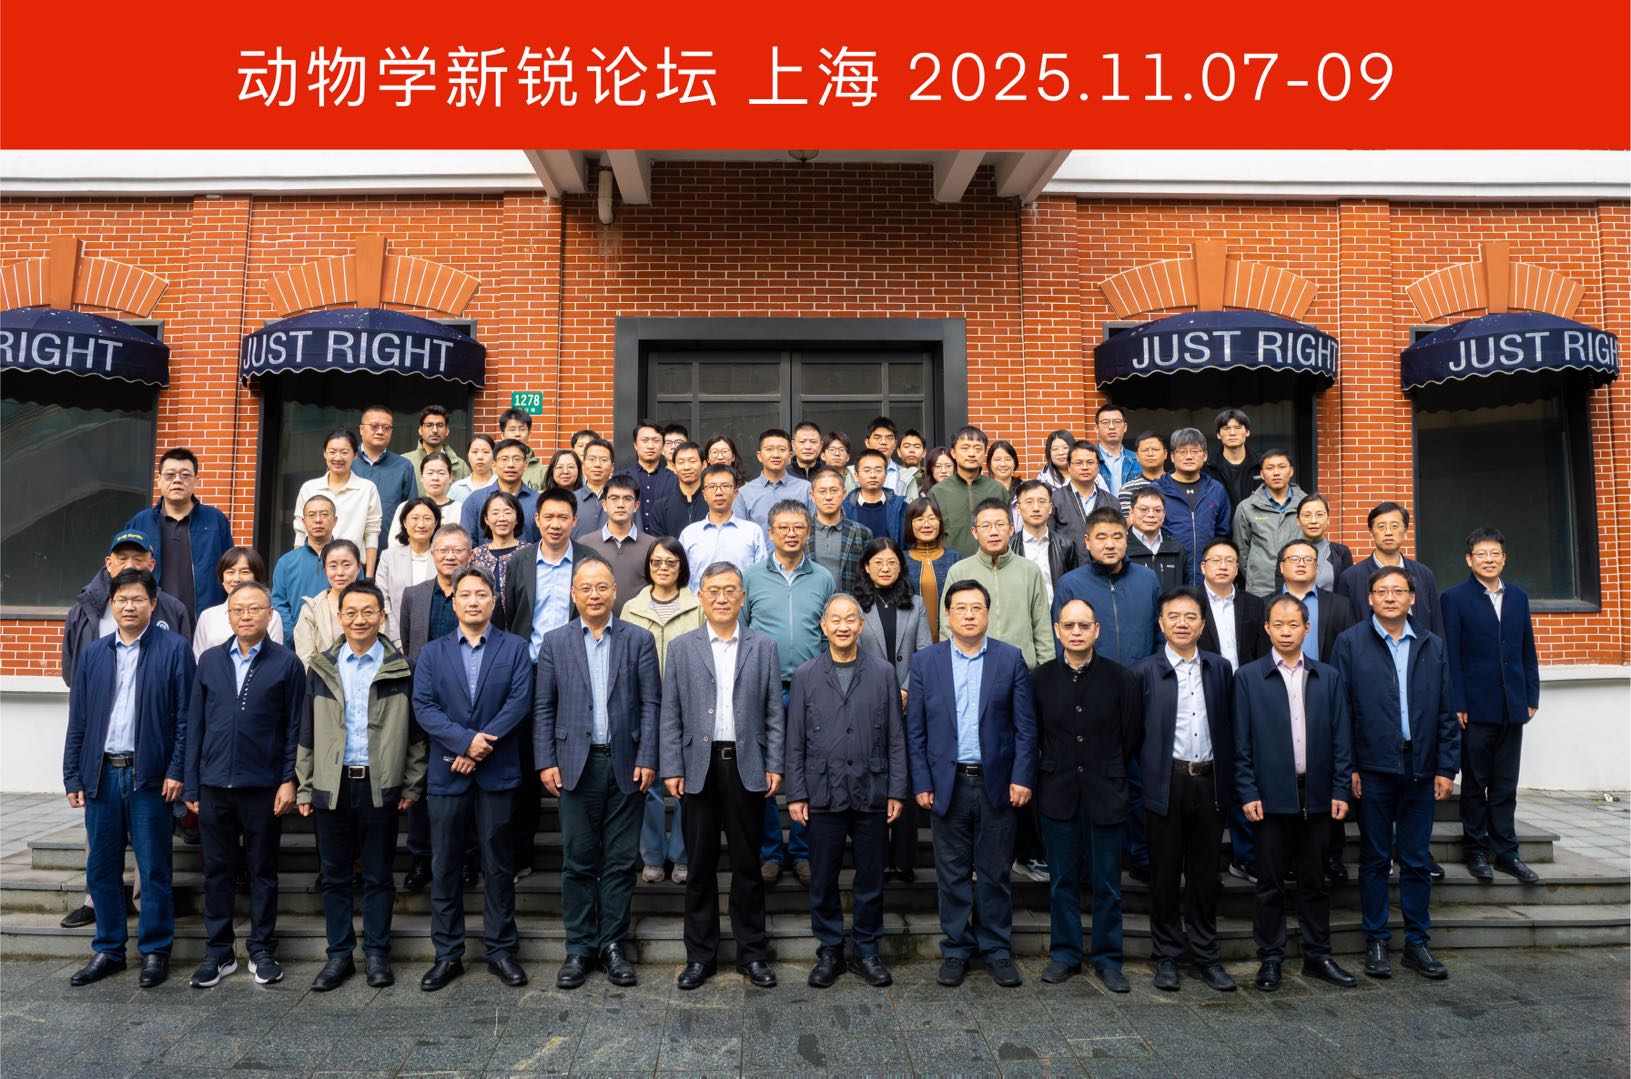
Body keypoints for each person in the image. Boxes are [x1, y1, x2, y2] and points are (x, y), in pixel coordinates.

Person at [62, 568, 194, 988]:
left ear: (153, 603)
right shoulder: (94, 654)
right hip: (102, 774)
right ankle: (109, 950)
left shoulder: (174, 649)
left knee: (153, 869)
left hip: (149, 776)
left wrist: (177, 770)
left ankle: (155, 951)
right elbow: (79, 720)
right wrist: (72, 775)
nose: (129, 606)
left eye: (138, 599)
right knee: (101, 868)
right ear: (112, 604)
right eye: (121, 599)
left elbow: (185, 717)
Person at [904, 579, 1037, 989]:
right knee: (952, 874)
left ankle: (996, 949)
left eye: (976, 607)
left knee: (995, 872)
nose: (968, 615)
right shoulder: (926, 662)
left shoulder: (1009, 659)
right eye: (960, 608)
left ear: (988, 613)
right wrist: (922, 781)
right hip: (948, 783)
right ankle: (956, 949)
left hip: (997, 784)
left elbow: (1026, 728)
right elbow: (915, 731)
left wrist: (1021, 777)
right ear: (947, 615)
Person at [535, 559, 662, 989]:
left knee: (622, 862)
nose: (594, 595)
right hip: (575, 765)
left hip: (626, 763)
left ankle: (612, 945)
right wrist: (546, 760)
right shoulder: (555, 642)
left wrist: (648, 756)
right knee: (578, 861)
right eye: (585, 588)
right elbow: (544, 706)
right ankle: (578, 948)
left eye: (602, 587)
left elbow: (651, 704)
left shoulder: (639, 639)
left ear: (614, 592)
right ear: (573, 594)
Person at [659, 562, 785, 991]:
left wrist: (774, 763)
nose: (722, 598)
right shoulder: (682, 648)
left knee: (748, 865)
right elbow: (670, 713)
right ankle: (700, 956)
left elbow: (774, 712)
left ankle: (752, 954)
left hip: (746, 765)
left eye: (730, 590)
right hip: (698, 767)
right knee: (699, 866)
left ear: (742, 596)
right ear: (700, 596)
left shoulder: (763, 646)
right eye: (713, 590)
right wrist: (672, 766)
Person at [296, 580, 426, 992]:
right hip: (332, 783)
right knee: (334, 876)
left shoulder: (401, 668)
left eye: (368, 611)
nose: (359, 619)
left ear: (382, 616)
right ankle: (338, 956)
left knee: (378, 875)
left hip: (379, 783)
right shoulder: (322, 667)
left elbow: (417, 734)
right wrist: (305, 786)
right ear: (339, 617)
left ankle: (376, 953)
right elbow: (306, 731)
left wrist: (411, 784)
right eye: (351, 612)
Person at [412, 566, 533, 992]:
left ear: (494, 600)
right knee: (445, 864)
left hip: (498, 773)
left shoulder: (515, 649)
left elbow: (519, 701)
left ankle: (501, 950)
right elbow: (424, 707)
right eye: (465, 594)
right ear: (454, 602)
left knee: (498, 864)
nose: (473, 601)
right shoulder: (432, 653)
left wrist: (482, 745)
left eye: (481, 594)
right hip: (448, 772)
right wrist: (465, 743)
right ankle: (448, 954)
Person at [1334, 566, 1457, 980]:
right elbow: (1341, 711)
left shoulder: (1432, 644)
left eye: (1398, 591)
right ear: (1369, 598)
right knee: (1374, 858)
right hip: (1372, 769)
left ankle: (1417, 942)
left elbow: (1446, 709)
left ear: (1412, 598)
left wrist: (1446, 767)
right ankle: (1376, 939)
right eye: (1382, 591)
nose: (1390, 597)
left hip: (1420, 768)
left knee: (1417, 859)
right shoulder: (1350, 643)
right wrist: (1349, 766)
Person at [183, 580, 305, 988]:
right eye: (238, 610)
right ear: (229, 615)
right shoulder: (210, 661)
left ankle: (262, 949)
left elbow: (295, 728)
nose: (246, 616)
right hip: (214, 785)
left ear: (270, 615)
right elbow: (195, 725)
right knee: (216, 871)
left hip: (264, 786)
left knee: (262, 871)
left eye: (254, 609)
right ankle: (219, 952)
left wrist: (288, 779)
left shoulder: (287, 663)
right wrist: (192, 785)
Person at [1233, 595, 1358, 992]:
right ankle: (1270, 958)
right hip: (1269, 798)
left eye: (1293, 625)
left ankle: (1318, 955)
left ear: (1307, 628)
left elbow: (1342, 739)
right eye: (1278, 624)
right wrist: (1248, 790)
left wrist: (1341, 789)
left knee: (1315, 882)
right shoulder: (1248, 678)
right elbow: (1240, 743)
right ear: (1266, 628)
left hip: (1317, 796)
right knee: (1269, 884)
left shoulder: (1327, 676)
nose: (1286, 632)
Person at [786, 593, 906, 989]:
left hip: (872, 788)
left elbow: (895, 736)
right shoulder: (805, 674)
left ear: (860, 625)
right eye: (835, 619)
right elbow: (795, 739)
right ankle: (830, 950)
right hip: (822, 790)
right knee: (823, 876)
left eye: (850, 619)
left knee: (870, 876)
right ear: (824, 626)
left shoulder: (883, 672)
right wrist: (796, 793)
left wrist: (897, 790)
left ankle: (867, 950)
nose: (842, 626)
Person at [1031, 597, 1142, 993]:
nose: (1076, 632)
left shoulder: (1120, 678)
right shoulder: (1040, 679)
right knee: (1062, 880)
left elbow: (1131, 735)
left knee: (1107, 882)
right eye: (1069, 625)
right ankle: (1065, 954)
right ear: (1057, 630)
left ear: (1097, 630)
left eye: (1084, 625)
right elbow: (1035, 734)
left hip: (1106, 792)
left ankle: (1109, 959)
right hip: (1058, 792)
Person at [1134, 586, 1237, 993]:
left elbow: (1230, 726)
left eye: (1190, 616)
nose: (1182, 623)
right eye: (1174, 616)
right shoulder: (1144, 672)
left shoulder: (1220, 668)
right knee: (1163, 874)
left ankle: (1205, 955)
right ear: (1161, 624)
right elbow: (1132, 736)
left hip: (1209, 783)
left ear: (1202, 624)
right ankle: (1166, 955)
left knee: (1204, 874)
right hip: (1166, 783)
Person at [500, 487, 604, 882]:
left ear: (575, 521)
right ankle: (520, 854)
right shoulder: (521, 560)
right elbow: (512, 615)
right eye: (549, 517)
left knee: (582, 761)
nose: (556, 524)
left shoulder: (590, 560)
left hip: (580, 671)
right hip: (529, 672)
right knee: (528, 763)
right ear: (537, 520)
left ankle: (585, 856)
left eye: (563, 517)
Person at [742, 499, 835, 885]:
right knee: (763, 771)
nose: (791, 534)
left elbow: (830, 633)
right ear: (771, 532)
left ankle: (801, 851)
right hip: (763, 689)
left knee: (808, 770)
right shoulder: (751, 577)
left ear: (808, 533)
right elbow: (742, 633)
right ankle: (770, 852)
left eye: (798, 527)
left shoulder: (824, 578)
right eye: (783, 527)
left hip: (810, 689)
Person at [1443, 528, 1542, 885]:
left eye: (1494, 553)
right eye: (1481, 554)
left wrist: (1531, 695)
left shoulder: (1518, 597)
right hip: (1474, 707)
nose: (1489, 559)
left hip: (1512, 705)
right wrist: (1458, 701)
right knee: (1474, 783)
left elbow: (1527, 648)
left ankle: (1507, 852)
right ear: (1469, 560)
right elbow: (1452, 655)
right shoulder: (1454, 598)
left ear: (1504, 558)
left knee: (1505, 784)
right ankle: (1475, 850)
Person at [396, 524, 477, 894]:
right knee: (421, 779)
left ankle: (466, 858)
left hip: (468, 702)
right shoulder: (414, 595)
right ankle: (421, 857)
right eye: (443, 550)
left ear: (470, 555)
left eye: (457, 550)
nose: (450, 556)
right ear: (433, 555)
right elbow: (410, 647)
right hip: (424, 702)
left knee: (467, 782)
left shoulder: (478, 593)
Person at [621, 539, 703, 885]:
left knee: (686, 784)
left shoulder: (697, 606)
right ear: (648, 566)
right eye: (657, 562)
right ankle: (653, 856)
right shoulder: (632, 608)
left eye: (671, 562)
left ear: (681, 566)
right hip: (645, 704)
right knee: (648, 782)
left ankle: (682, 856)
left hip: (689, 705)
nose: (663, 568)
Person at [854, 538, 932, 880]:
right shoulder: (855, 605)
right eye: (878, 563)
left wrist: (906, 688)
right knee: (873, 779)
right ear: (866, 567)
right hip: (867, 702)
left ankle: (903, 858)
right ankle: (878, 857)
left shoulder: (915, 604)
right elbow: (851, 653)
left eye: (892, 563)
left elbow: (925, 652)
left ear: (901, 567)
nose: (885, 568)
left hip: (907, 702)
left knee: (905, 776)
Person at [1194, 537, 1266, 883]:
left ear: (1238, 568)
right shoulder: (1190, 602)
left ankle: (1246, 855)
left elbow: (1264, 653)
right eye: (1216, 560)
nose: (1223, 566)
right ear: (1203, 567)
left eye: (1230, 561)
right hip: (1202, 696)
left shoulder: (1255, 605)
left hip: (1247, 697)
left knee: (1244, 772)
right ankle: (1202, 860)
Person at [124, 447, 234, 620]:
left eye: (185, 475)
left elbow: (231, 569)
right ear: (158, 481)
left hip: (205, 620)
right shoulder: (140, 523)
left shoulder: (215, 520)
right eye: (170, 475)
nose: (177, 480)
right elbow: (123, 570)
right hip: (153, 618)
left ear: (196, 481)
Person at [942, 499, 1052, 669]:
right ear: (974, 532)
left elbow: (1042, 627)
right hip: (972, 668)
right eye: (985, 526)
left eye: (1000, 525)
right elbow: (947, 625)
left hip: (1022, 669)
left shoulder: (1030, 571)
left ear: (1011, 529)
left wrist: (1046, 670)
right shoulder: (959, 571)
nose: (993, 532)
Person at [1051, 508, 1162, 669]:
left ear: (1126, 539)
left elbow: (1161, 633)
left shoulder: (1148, 579)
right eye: (1101, 538)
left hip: (1142, 677)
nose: (1110, 545)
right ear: (1087, 541)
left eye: (1117, 537)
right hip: (1091, 679)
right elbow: (1060, 642)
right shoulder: (1070, 584)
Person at [1337, 502, 1445, 638]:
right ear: (1371, 532)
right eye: (1381, 527)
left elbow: (1436, 626)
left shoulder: (1424, 575)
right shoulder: (1350, 578)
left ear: (1405, 531)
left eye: (1395, 526)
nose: (1388, 532)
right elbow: (1343, 631)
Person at [293, 429, 383, 577]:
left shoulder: (367, 489)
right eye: (332, 452)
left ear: (355, 454)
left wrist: (369, 577)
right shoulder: (309, 488)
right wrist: (299, 569)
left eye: (344, 452)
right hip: (312, 567)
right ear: (324, 454)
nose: (338, 457)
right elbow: (300, 531)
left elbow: (372, 532)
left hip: (352, 569)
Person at [1155, 428, 1233, 586]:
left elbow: (1223, 533)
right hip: (1168, 573)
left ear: (1205, 455)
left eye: (1195, 451)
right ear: (1172, 456)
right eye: (1182, 451)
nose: (1189, 456)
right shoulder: (1157, 490)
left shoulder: (1216, 489)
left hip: (1208, 576)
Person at [575, 475, 654, 617]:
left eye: (627, 499)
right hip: (595, 621)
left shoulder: (652, 545)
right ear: (604, 504)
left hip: (639, 622)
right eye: (614, 498)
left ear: (636, 506)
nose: (620, 505)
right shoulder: (586, 543)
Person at [678, 465, 768, 587]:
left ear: (735, 493)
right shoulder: (689, 534)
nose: (719, 492)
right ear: (704, 494)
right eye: (712, 487)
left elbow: (761, 577)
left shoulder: (752, 532)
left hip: (742, 599)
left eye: (725, 486)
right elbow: (681, 578)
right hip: (698, 599)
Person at [1233, 450, 1307, 597]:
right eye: (1270, 468)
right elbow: (1241, 551)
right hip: (1261, 588)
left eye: (1281, 467)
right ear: (1261, 474)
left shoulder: (1306, 505)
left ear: (1291, 471)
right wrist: (1255, 575)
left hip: (1299, 584)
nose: (1276, 473)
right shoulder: (1246, 508)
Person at [928, 426, 1008, 560]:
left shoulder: (997, 489)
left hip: (994, 563)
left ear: (984, 453)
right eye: (965, 448)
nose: (972, 454)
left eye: (978, 449)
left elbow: (1009, 531)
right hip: (951, 565)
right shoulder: (937, 492)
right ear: (953, 453)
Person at [192, 547, 287, 658]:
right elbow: (199, 659)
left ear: (256, 577)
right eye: (230, 572)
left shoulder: (270, 615)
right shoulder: (207, 616)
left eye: (244, 572)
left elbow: (275, 658)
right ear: (222, 579)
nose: (236, 578)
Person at [1279, 538, 1359, 664]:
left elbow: (1351, 649)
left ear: (1316, 568)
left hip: (1327, 676)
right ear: (1282, 567)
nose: (1301, 564)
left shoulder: (1341, 606)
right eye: (1294, 559)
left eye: (1308, 559)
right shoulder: (1263, 605)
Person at [376, 497, 441, 643]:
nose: (421, 524)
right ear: (405, 522)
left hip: (436, 639)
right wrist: (396, 639)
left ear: (436, 523)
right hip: (395, 637)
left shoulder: (443, 557)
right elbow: (382, 599)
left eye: (427, 518)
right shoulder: (389, 557)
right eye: (415, 518)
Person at [352, 406, 418, 542]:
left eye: (386, 428)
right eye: (374, 426)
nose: (380, 431)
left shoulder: (403, 466)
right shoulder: (345, 462)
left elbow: (412, 511)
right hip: (348, 547)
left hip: (389, 547)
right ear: (361, 429)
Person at [292, 540, 362, 667]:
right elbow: (306, 658)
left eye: (346, 565)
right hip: (322, 678)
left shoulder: (373, 606)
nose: (340, 573)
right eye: (333, 566)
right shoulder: (311, 609)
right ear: (325, 570)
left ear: (358, 568)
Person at [271, 495, 336, 632]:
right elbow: (279, 604)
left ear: (335, 520)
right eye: (311, 515)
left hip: (338, 639)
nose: (318, 520)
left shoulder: (348, 560)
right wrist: (293, 635)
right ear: (303, 521)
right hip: (296, 640)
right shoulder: (286, 562)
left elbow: (357, 598)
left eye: (324, 514)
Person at [459, 439, 541, 545]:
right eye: (504, 459)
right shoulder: (475, 500)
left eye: (516, 459)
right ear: (494, 465)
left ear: (525, 465)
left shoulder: (538, 501)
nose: (510, 464)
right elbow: (466, 543)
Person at [1011, 479, 1079, 605]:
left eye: (1042, 502)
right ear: (1018, 508)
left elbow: (1074, 585)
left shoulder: (1065, 545)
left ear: (1050, 507)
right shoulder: (1009, 548)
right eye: (1029, 502)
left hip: (1058, 612)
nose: (1036, 508)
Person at [808, 465, 872, 593]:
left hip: (850, 602)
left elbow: (868, 577)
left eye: (834, 490)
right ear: (812, 495)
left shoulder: (861, 533)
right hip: (809, 602)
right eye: (822, 491)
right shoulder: (800, 531)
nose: (828, 497)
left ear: (843, 494)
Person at [903, 498, 960, 642]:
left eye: (932, 518)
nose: (926, 524)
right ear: (910, 524)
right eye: (919, 519)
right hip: (912, 641)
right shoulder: (901, 560)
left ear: (940, 522)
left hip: (950, 639)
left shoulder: (954, 558)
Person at [734, 428, 811, 531]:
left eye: (782, 450)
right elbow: (739, 533)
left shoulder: (806, 489)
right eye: (769, 449)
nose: (776, 455)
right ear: (759, 456)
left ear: (789, 456)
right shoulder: (744, 493)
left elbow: (813, 530)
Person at [469, 490, 524, 626]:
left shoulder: (529, 553)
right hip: (483, 627)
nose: (502, 518)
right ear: (486, 519)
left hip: (520, 627)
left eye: (507, 512)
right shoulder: (475, 555)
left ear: (517, 518)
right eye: (495, 513)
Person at [1049, 439, 1117, 548]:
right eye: (1079, 463)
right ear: (1069, 467)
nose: (1085, 467)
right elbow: (1049, 540)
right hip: (1067, 559)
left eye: (1090, 462)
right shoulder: (1054, 500)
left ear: (1098, 466)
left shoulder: (1112, 501)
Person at [387, 451, 463, 543]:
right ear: (421, 477)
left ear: (450, 477)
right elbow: (395, 543)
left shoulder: (461, 509)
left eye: (441, 473)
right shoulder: (405, 507)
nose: (435, 478)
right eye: (430, 473)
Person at [623, 419, 681, 535]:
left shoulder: (675, 480)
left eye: (656, 441)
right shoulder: (621, 478)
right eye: (645, 441)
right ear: (635, 445)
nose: (650, 446)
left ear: (663, 445)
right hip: (630, 542)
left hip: (664, 541)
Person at [1125, 488, 1188, 592]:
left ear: (1164, 514)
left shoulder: (1177, 549)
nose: (1151, 515)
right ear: (1131, 513)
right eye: (1144, 509)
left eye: (1157, 510)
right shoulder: (1121, 548)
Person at [842, 449, 907, 547]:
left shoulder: (902, 508)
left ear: (886, 475)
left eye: (878, 470)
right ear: (856, 476)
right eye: (867, 470)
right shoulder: (844, 509)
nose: (873, 475)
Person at [1204, 409, 1264, 510]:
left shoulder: (1263, 464)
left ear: (1247, 432)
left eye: (1238, 428)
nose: (1232, 433)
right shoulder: (1207, 468)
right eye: (1226, 428)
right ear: (1218, 434)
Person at [1295, 493, 1354, 591]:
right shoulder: (1287, 553)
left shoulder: (1341, 553)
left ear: (1328, 519)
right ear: (1298, 520)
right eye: (1307, 515)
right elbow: (1281, 594)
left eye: (1319, 515)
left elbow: (1348, 591)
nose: (1313, 521)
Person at [403, 405, 469, 490]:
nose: (435, 430)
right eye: (429, 425)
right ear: (420, 429)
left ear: (447, 430)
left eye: (440, 425)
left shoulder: (461, 466)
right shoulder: (405, 462)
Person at [656, 440, 709, 536]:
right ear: (674, 467)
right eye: (681, 462)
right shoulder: (661, 507)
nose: (686, 467)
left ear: (704, 464)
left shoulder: (713, 503)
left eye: (692, 461)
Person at [1117, 430, 1170, 516]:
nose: (1150, 454)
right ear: (1137, 456)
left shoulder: (1177, 484)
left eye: (1155, 449)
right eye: (1145, 450)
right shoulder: (1127, 489)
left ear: (1165, 454)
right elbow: (1129, 521)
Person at [572, 438, 618, 538]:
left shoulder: (624, 499)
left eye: (604, 460)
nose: (597, 465)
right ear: (583, 465)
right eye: (591, 459)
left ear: (612, 467)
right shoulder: (570, 499)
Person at [498, 407, 553, 490]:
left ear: (529, 434)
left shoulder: (541, 470)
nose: (517, 434)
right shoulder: (492, 467)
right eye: (512, 429)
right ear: (502, 435)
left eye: (522, 429)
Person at [1092, 405, 1138, 502]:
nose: (1111, 427)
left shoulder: (1138, 459)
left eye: (1117, 422)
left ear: (1125, 427)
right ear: (1096, 428)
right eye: (1105, 423)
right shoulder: (1088, 460)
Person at [861, 416, 913, 498]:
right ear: (867, 442)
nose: (883, 442)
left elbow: (914, 505)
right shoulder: (853, 473)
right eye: (877, 437)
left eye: (889, 438)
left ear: (895, 444)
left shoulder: (907, 476)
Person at [448, 433, 495, 503]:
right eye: (475, 452)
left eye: (485, 452)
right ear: (468, 456)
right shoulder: (457, 488)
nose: (480, 457)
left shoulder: (502, 485)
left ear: (494, 456)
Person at [897, 429, 927, 495]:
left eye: (917, 447)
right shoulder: (892, 477)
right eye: (907, 446)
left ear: (924, 453)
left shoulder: (930, 477)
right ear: (899, 452)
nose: (912, 450)